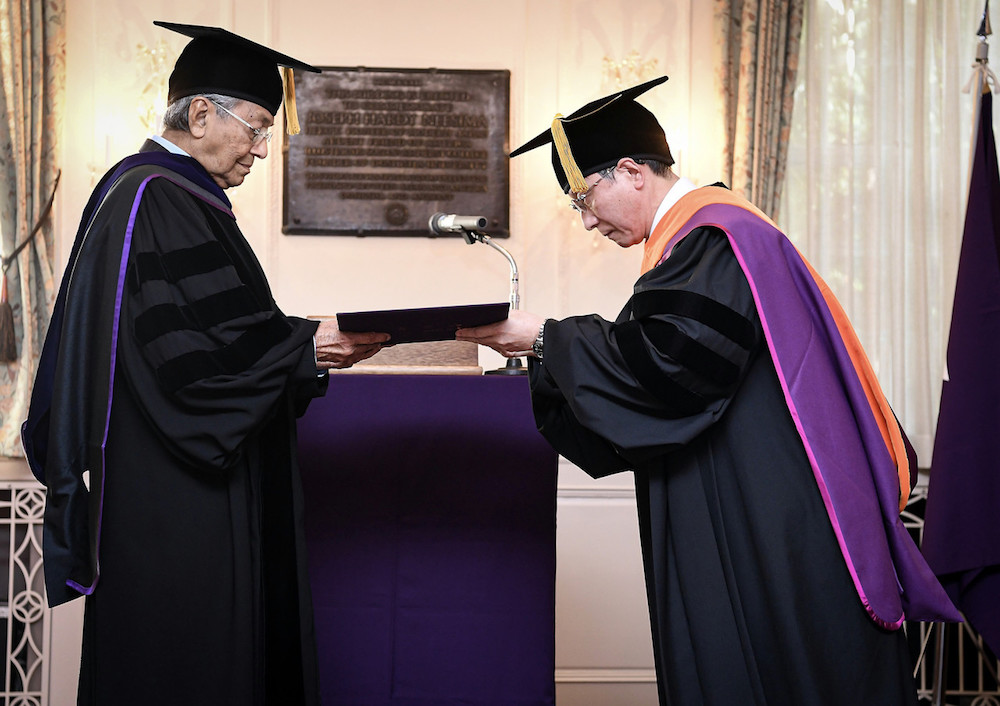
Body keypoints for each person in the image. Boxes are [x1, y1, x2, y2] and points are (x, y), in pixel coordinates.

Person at [456, 76, 961, 705]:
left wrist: (545, 340)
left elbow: (670, 370)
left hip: (768, 513)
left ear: (632, 172)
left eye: (585, 197)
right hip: (752, 493)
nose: (586, 221)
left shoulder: (715, 238)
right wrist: (554, 351)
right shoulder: (703, 239)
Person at [21, 22, 388, 706]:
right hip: (179, 493)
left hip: (163, 482)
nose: (260, 149)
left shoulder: (153, 194)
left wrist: (296, 348)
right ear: (198, 114)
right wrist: (302, 348)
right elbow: (191, 360)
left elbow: (217, 331)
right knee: (189, 663)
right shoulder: (156, 196)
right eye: (254, 126)